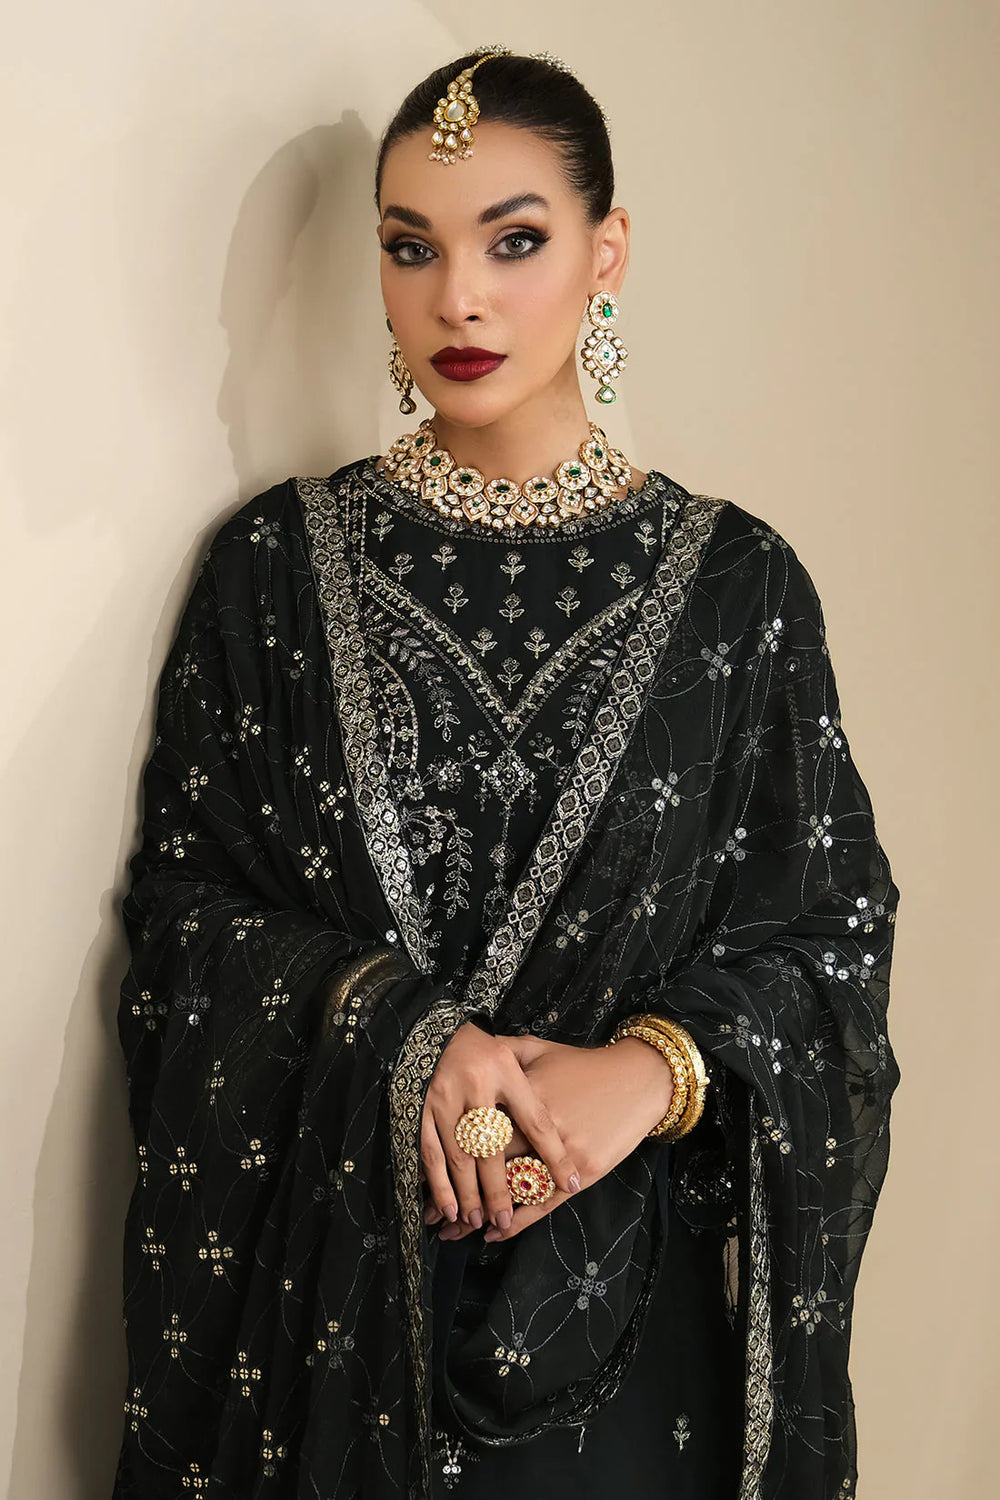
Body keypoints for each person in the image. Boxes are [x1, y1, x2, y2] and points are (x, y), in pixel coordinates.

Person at [112, 46, 900, 1500]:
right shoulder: (274, 569)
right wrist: (398, 1030)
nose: (457, 300)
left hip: (624, 1328)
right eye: (411, 248)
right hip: (333, 1314)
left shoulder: (739, 590)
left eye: (514, 242)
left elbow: (830, 941)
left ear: (608, 252)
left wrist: (651, 1074)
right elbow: (180, 925)